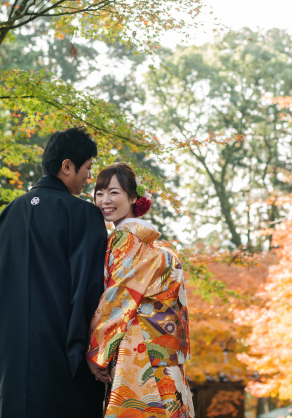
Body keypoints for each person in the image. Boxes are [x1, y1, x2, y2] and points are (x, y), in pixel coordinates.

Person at [0, 127, 109, 417]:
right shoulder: (84, 215)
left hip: (12, 379)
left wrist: (7, 366)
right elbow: (91, 294)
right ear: (67, 166)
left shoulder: (8, 215)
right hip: (65, 377)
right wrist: (88, 358)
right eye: (88, 168)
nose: (89, 177)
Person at [87, 163, 195, 418]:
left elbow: (118, 299)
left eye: (114, 192)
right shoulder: (155, 248)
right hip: (163, 353)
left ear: (133, 198)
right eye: (99, 193)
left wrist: (97, 352)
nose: (104, 200)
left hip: (137, 350)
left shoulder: (124, 238)